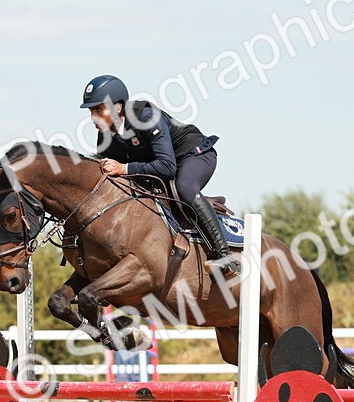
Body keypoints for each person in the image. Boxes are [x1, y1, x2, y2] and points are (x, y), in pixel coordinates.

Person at [80, 74, 238, 274]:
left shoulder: (146, 118)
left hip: (194, 155)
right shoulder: (104, 135)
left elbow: (167, 167)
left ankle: (224, 257)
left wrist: (124, 168)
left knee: (184, 187)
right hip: (160, 164)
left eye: (98, 109)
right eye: (91, 111)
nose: (93, 117)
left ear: (117, 108)